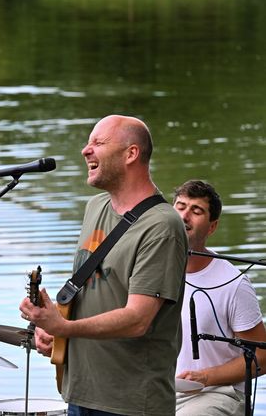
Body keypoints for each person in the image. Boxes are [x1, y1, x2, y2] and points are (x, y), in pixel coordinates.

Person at [19, 115, 188, 415]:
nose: (85, 150)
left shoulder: (162, 225)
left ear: (131, 154)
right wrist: (54, 326)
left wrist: (66, 327)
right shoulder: (95, 207)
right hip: (80, 392)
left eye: (97, 143)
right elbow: (94, 289)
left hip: (132, 404)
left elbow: (138, 319)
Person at [174, 180, 266, 415]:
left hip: (219, 393)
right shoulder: (149, 269)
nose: (185, 216)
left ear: (212, 227)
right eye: (180, 207)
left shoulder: (234, 284)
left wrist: (205, 377)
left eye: (196, 211)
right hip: (160, 390)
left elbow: (262, 357)